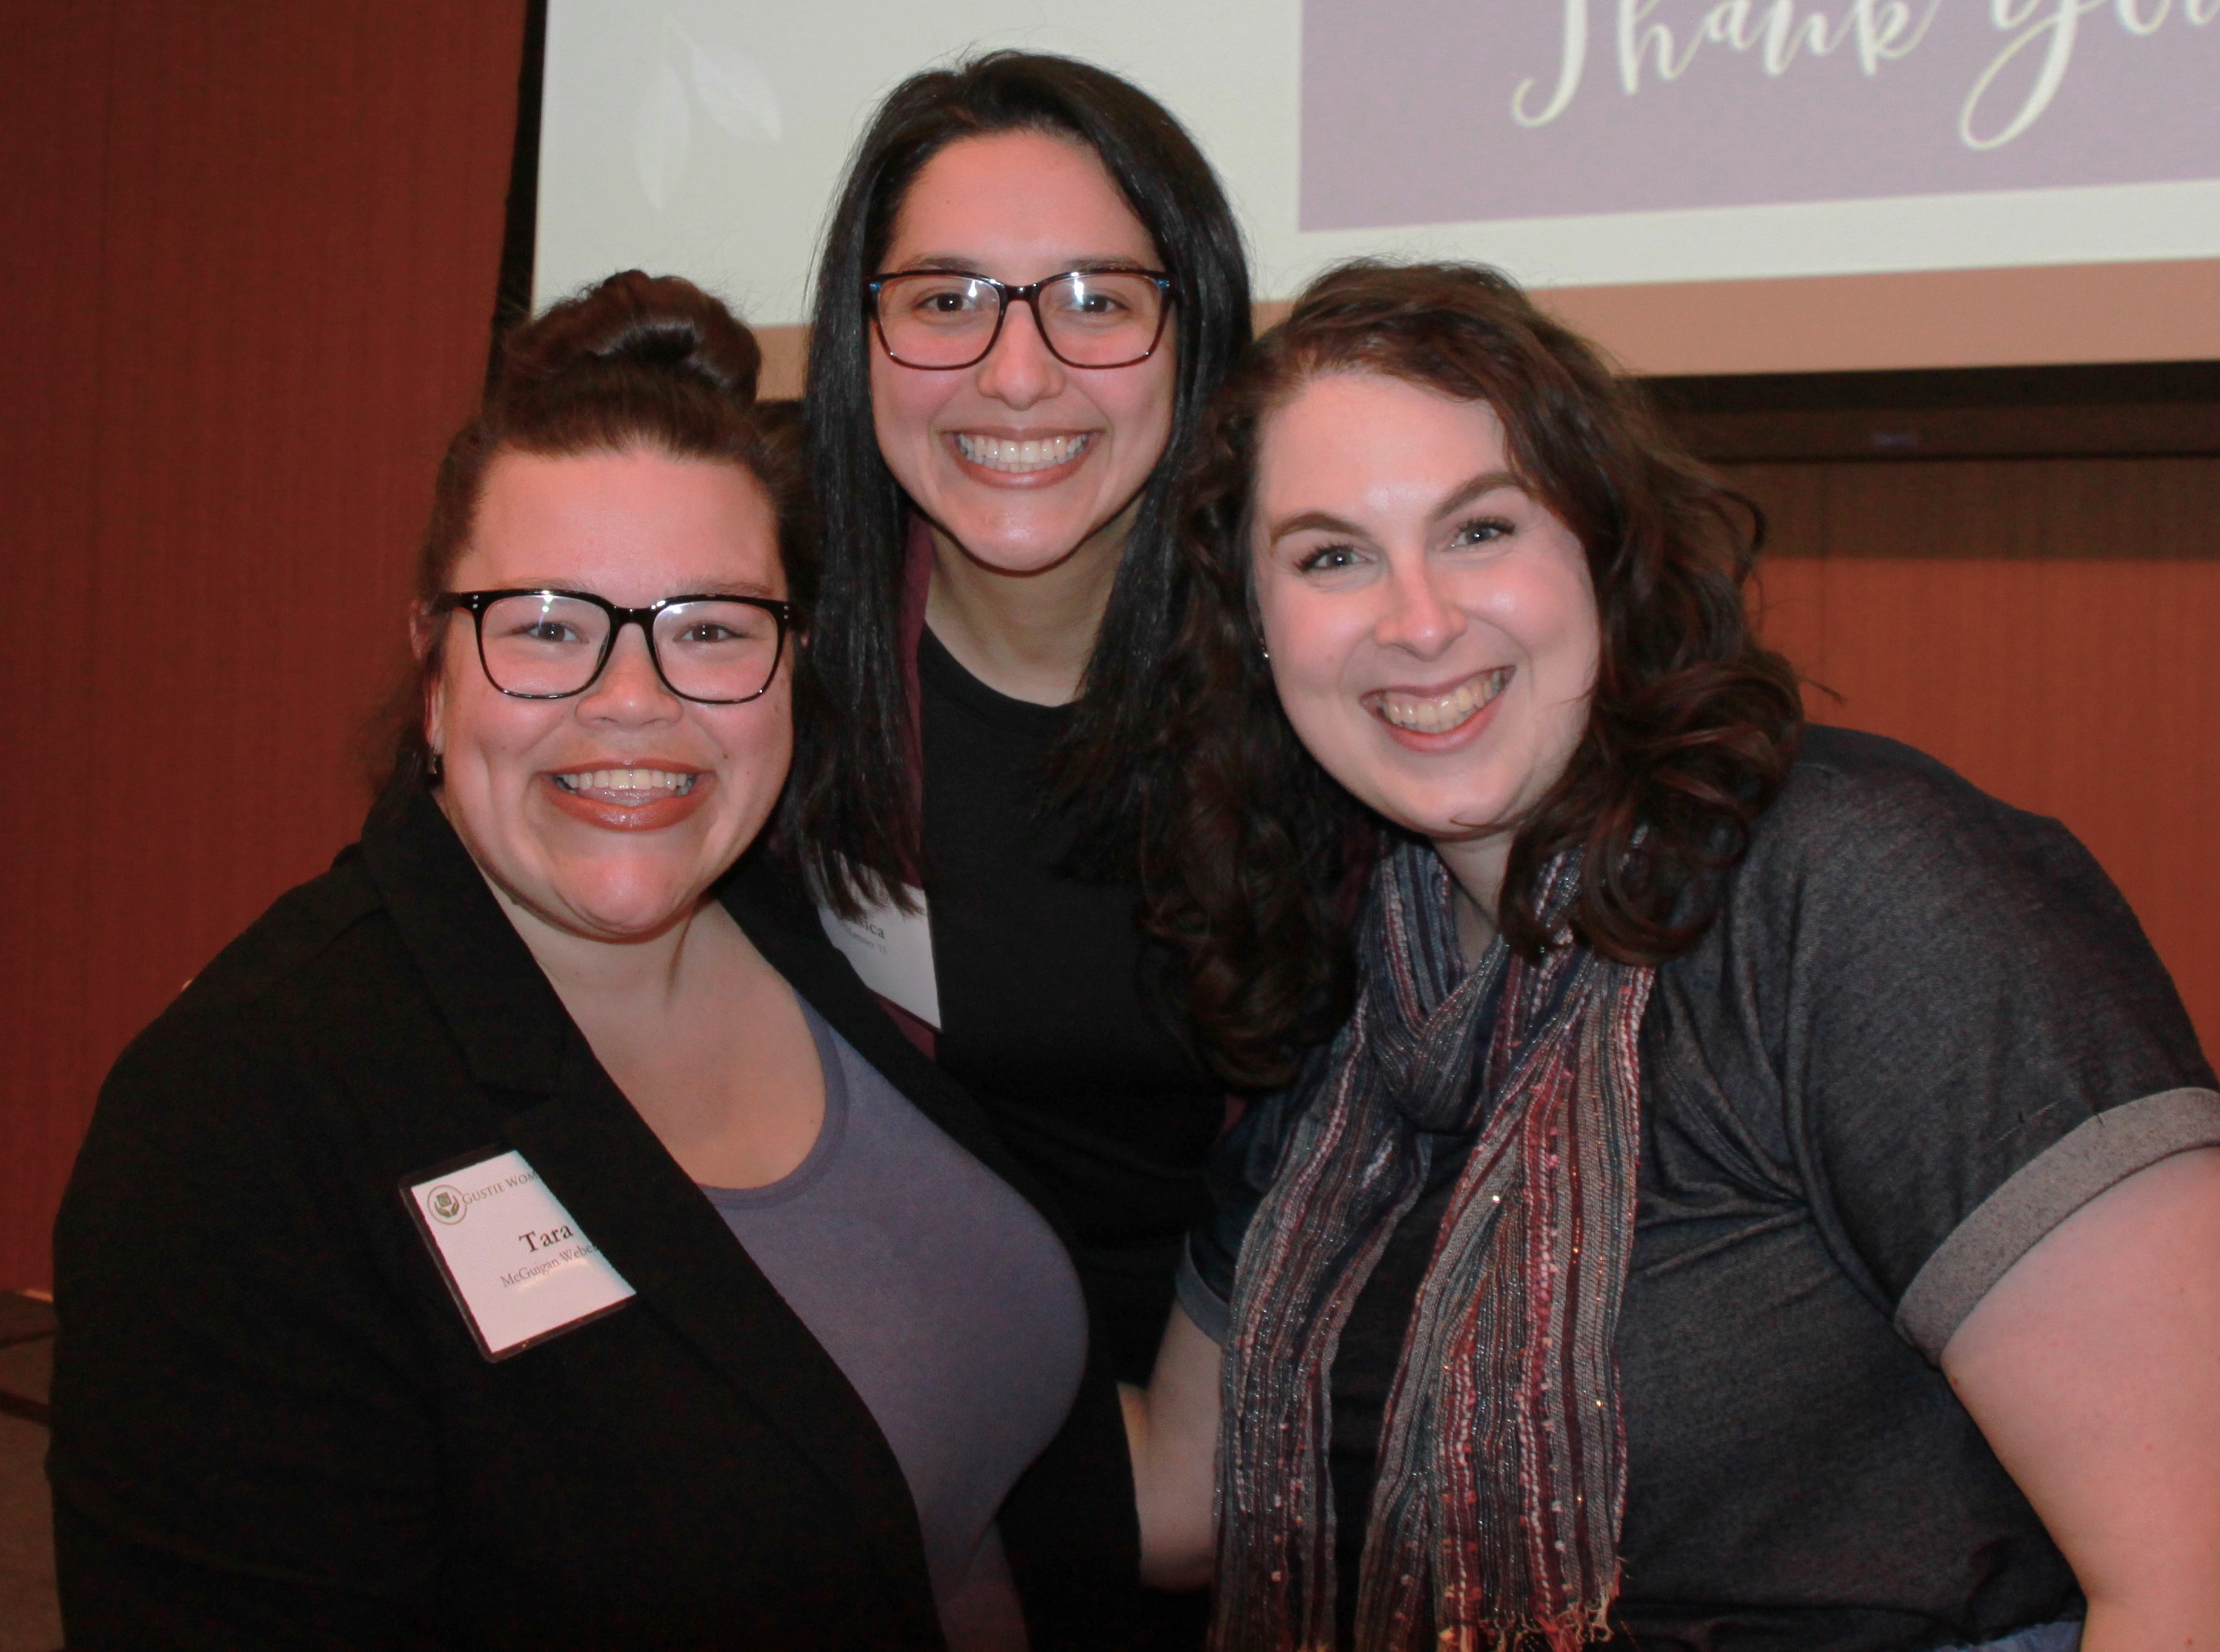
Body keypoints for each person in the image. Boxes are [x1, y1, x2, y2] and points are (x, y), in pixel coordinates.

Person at [1122, 262, 2220, 1650]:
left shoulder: (1859, 889)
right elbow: (1182, 1492)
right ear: (1256, 633)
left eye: (1478, 530)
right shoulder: (1347, 978)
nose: (1413, 620)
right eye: (1330, 555)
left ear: (1602, 551)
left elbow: (2193, 1573)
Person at [49, 272, 1143, 1651]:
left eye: (711, 631)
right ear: (433, 669)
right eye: (551, 628)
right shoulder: (246, 1116)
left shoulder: (792, 930)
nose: (636, 705)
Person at [793, 52, 1253, 1388]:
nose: (1014, 372)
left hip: (1276, 1461)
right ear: (856, 338)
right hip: (895, 1451)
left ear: (1197, 334)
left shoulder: (1327, 690)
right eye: (947, 300)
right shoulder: (763, 678)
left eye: (1097, 301)